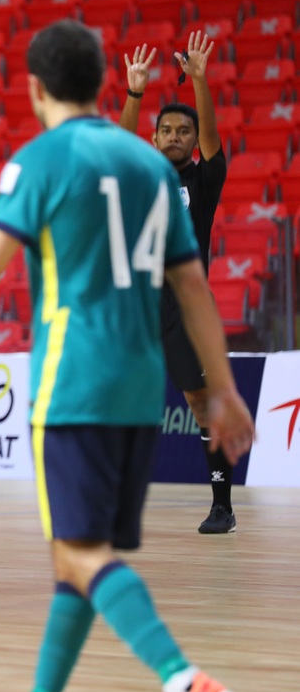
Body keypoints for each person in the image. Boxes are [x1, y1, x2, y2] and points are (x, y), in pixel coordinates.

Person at [0, 20, 254, 692]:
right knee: (76, 562)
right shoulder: (150, 168)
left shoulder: (40, 161)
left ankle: (179, 676)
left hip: (73, 380)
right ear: (98, 85)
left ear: (33, 88)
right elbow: (194, 286)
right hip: (140, 384)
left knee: (81, 554)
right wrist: (226, 389)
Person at [120, 31, 236, 534]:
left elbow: (211, 137)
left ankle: (222, 506)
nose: (173, 136)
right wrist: (135, 93)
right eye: (165, 129)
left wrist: (200, 81)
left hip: (185, 310)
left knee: (200, 404)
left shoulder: (203, 181)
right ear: (154, 138)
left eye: (182, 131)